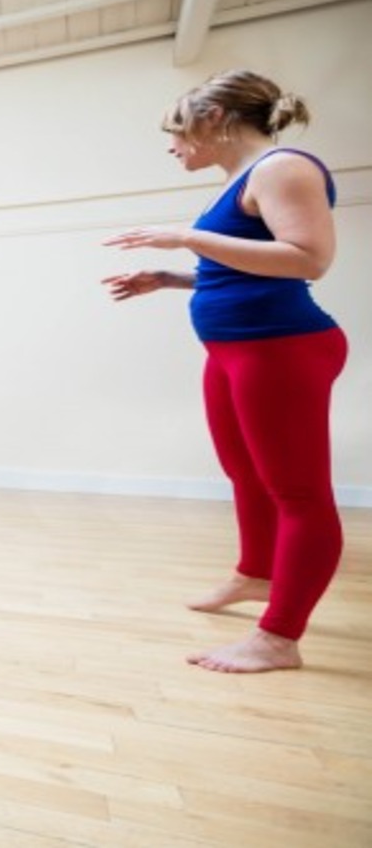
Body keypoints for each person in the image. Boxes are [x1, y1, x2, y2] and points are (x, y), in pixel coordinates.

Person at [102, 70, 346, 674]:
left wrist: (185, 237)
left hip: (281, 347)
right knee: (245, 474)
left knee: (299, 493)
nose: (172, 146)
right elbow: (243, 267)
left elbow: (308, 258)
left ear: (213, 118)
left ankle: (279, 638)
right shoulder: (238, 180)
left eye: (177, 131)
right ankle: (255, 573)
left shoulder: (283, 167)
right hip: (236, 349)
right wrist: (173, 278)